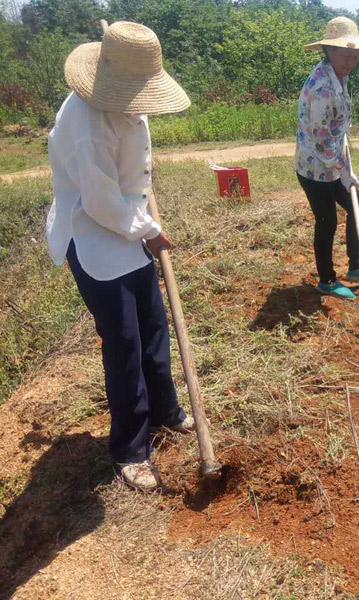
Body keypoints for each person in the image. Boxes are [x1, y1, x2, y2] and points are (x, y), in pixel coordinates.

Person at [46, 21, 194, 492]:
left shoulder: (129, 97)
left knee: (153, 324)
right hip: (93, 236)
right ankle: (130, 450)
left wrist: (142, 217)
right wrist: (149, 231)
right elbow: (99, 201)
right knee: (124, 341)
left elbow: (133, 168)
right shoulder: (85, 123)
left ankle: (166, 412)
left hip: (128, 226)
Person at [295, 16, 359, 300]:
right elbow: (322, 140)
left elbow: (337, 127)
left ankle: (357, 266)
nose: (351, 61)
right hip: (314, 168)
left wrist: (342, 164)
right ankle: (326, 280)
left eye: (355, 56)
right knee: (327, 221)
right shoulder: (322, 87)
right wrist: (343, 171)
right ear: (330, 51)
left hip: (333, 161)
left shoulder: (339, 76)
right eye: (346, 55)